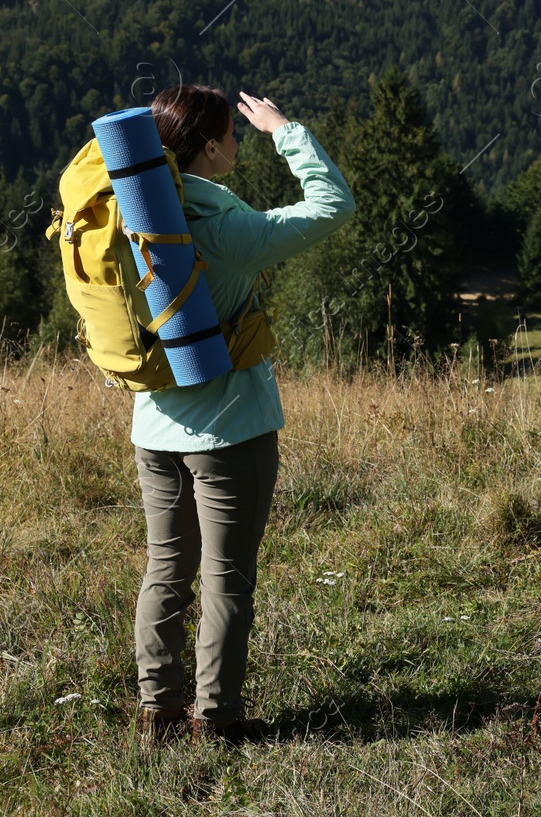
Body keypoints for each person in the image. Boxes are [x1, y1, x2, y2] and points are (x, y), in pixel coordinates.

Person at [131, 85, 354, 745]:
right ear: (206, 147)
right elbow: (333, 204)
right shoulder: (226, 230)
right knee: (226, 579)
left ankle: (159, 713)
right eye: (232, 134)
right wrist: (286, 130)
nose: (238, 142)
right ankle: (218, 721)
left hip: (154, 428)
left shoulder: (139, 217)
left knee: (165, 569)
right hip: (229, 432)